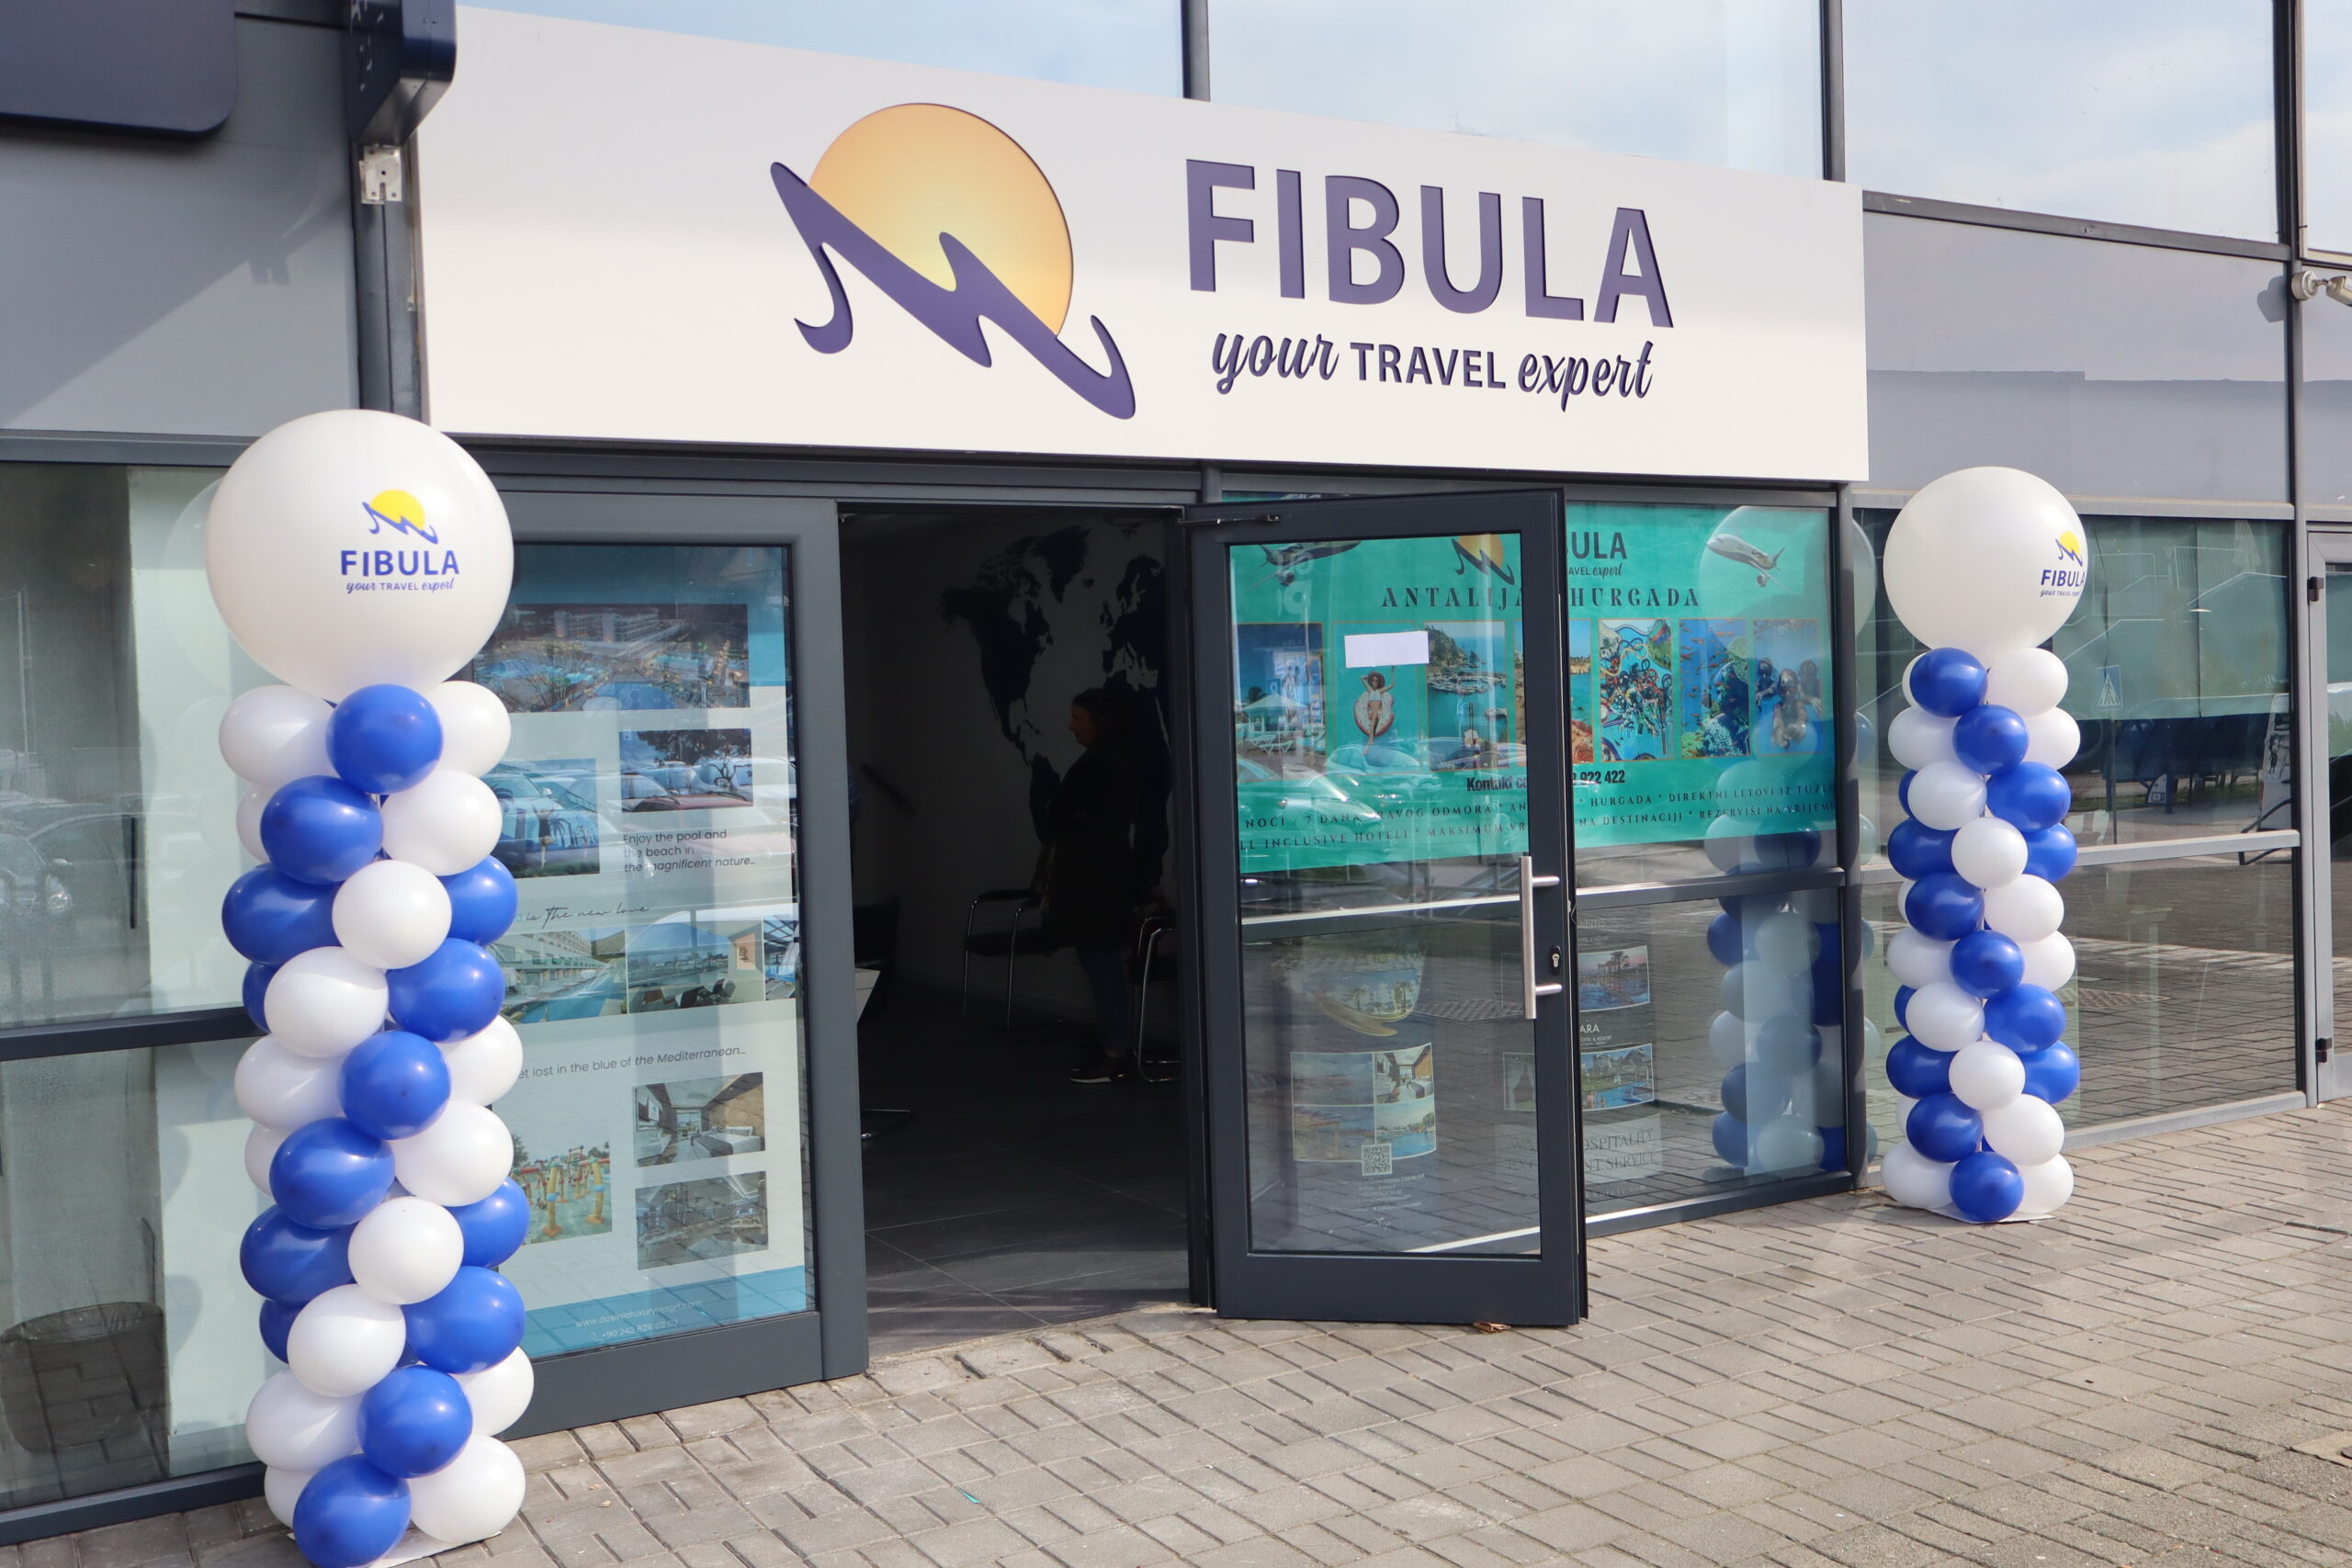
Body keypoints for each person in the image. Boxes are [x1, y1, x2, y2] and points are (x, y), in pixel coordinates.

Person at [1040, 688, 1143, 1083]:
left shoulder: (1098, 764)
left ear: (1100, 721)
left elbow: (1059, 812)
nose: (1070, 726)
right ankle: (1114, 1044)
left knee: (1100, 958)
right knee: (1100, 957)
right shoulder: (1122, 760)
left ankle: (1115, 1050)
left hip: (1094, 873)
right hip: (1107, 868)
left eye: (1078, 718)